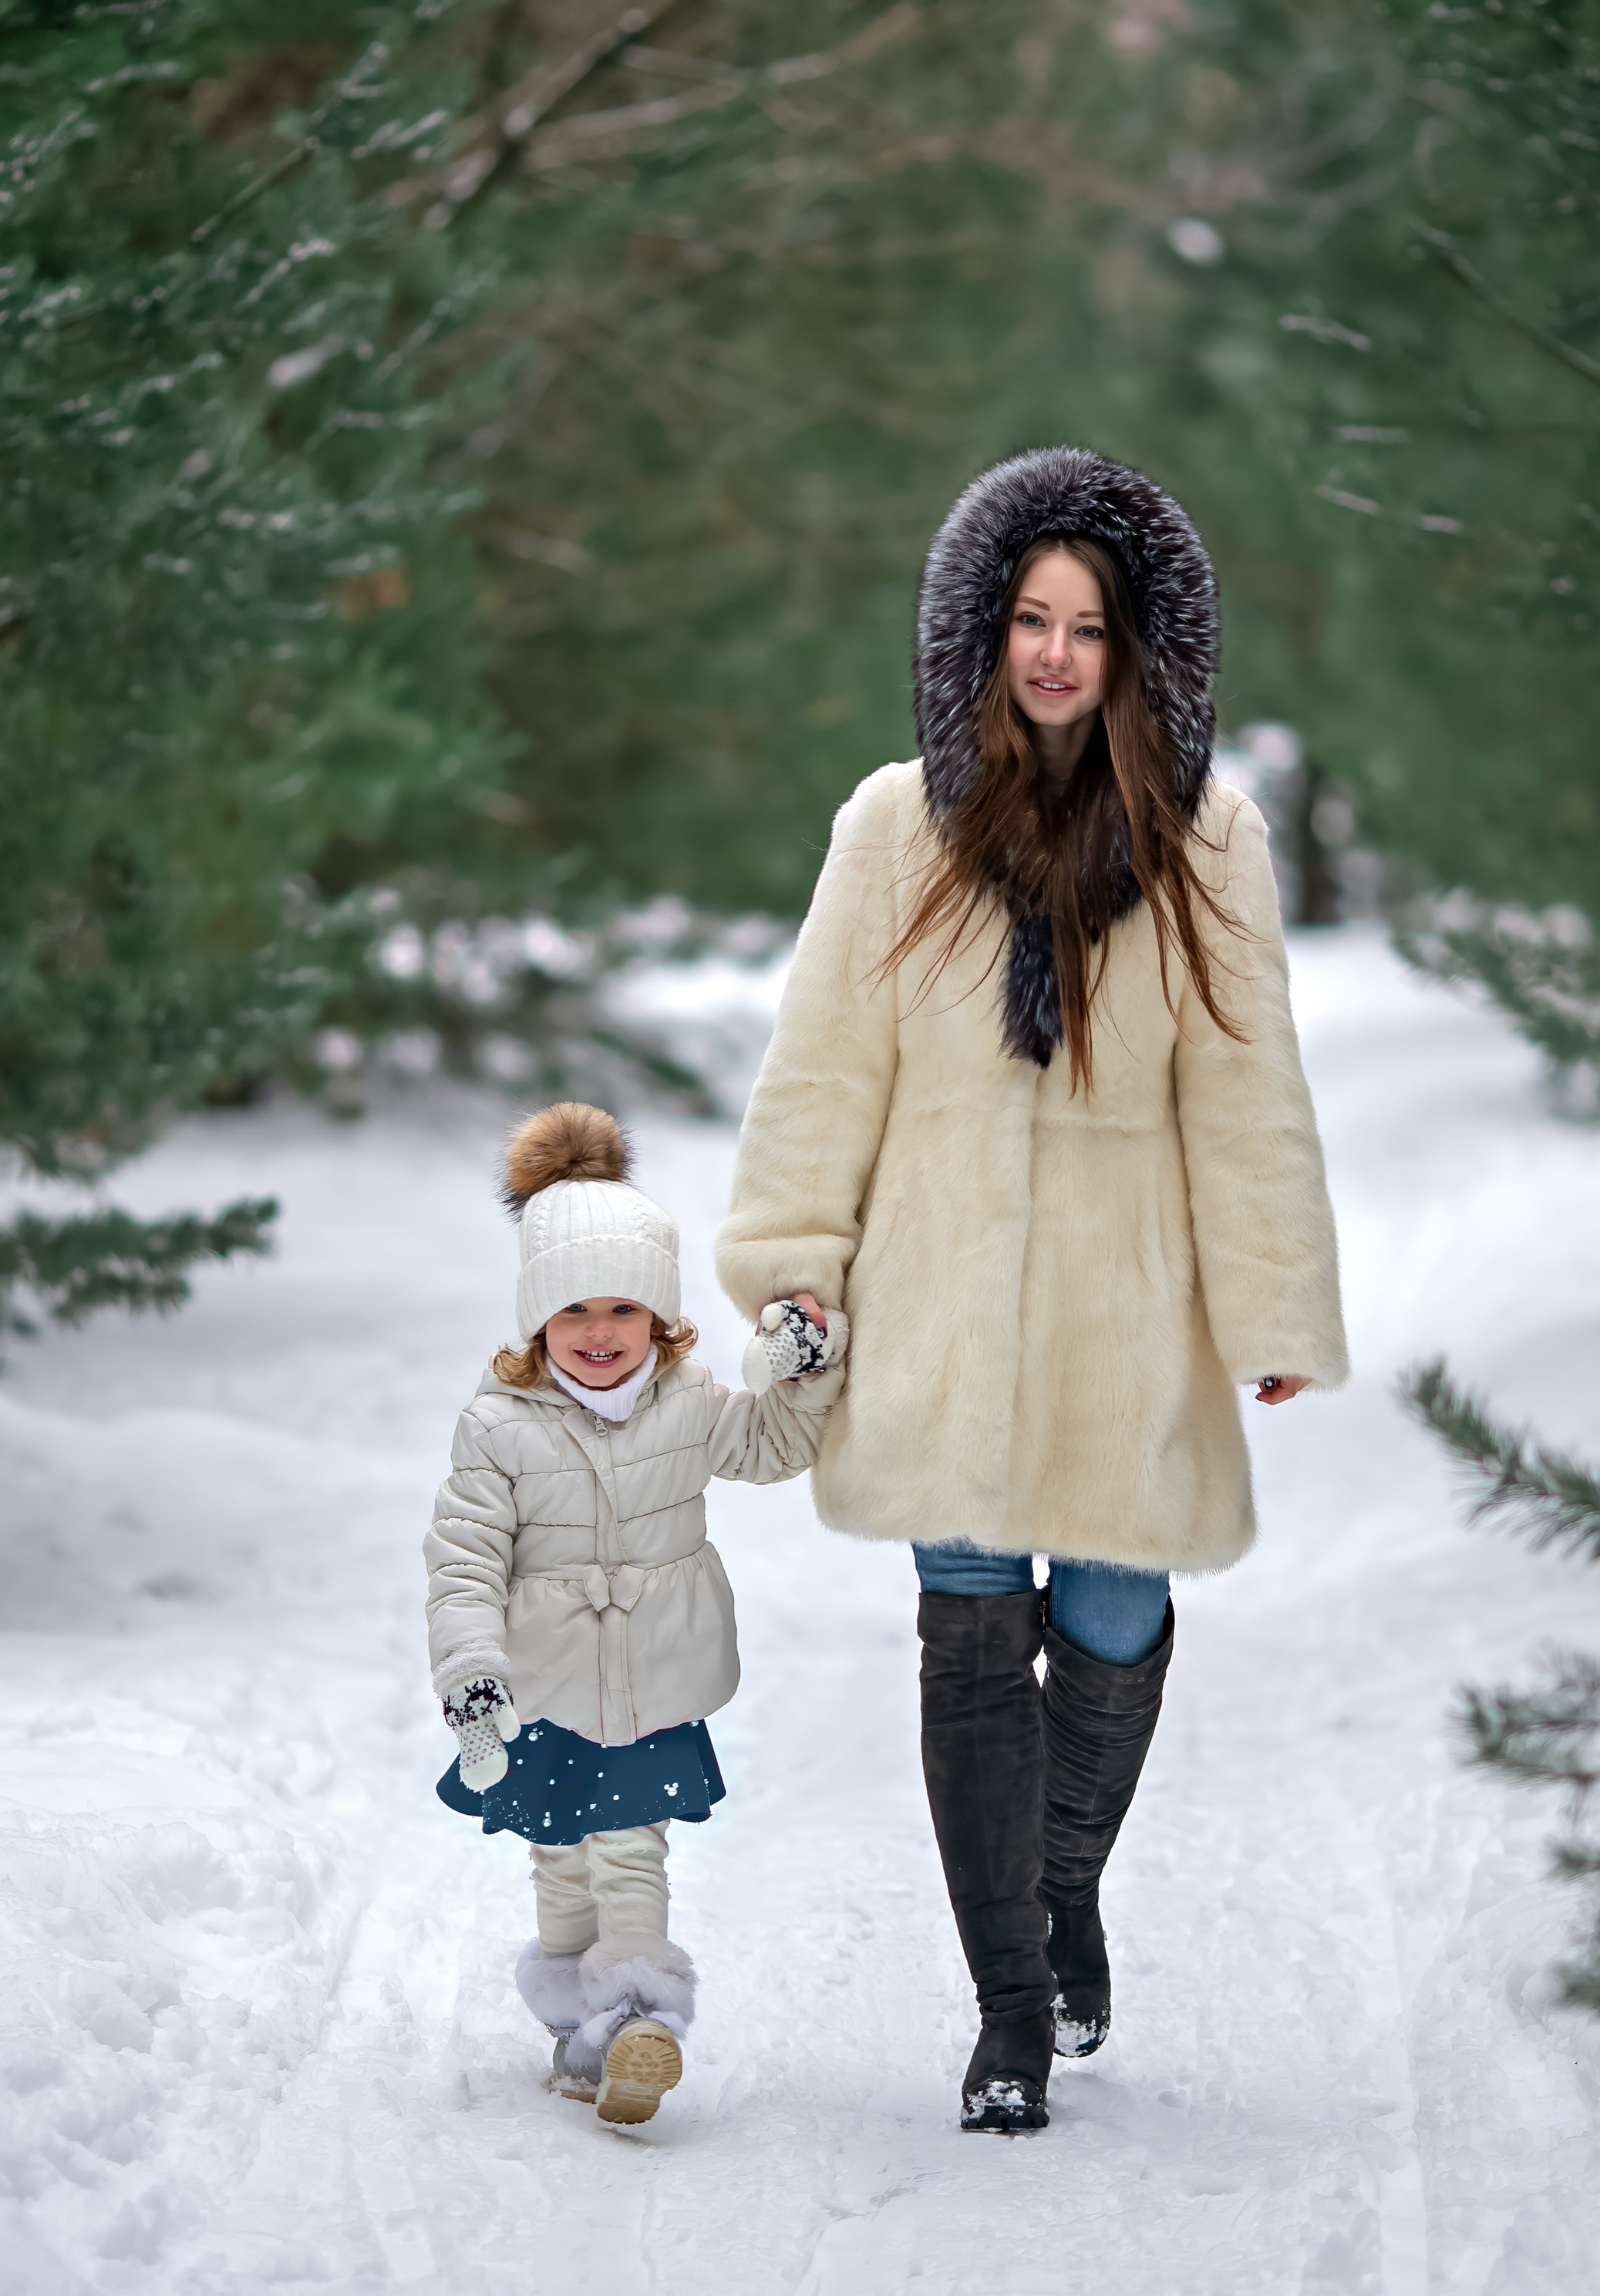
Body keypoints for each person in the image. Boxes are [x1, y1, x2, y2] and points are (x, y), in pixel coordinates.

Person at [716, 448, 1346, 2133]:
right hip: (934, 1300)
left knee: (1115, 1616)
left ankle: (1061, 1893)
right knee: (971, 1641)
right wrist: (795, 1270)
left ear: (1140, 648)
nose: (1054, 652)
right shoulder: (889, 825)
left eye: (1087, 625)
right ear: (977, 632)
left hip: (1126, 1311)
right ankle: (1008, 2004)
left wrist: (1270, 1302)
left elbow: (1245, 1083)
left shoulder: (1206, 835)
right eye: (1026, 618)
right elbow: (821, 1072)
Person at [425, 1102, 844, 2126]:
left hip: (655, 1678)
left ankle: (637, 2018)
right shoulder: (497, 1425)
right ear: (537, 1323)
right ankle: (578, 2020)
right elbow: (464, 1559)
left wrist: (800, 1374)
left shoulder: (690, 1398)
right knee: (561, 1860)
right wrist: (470, 1666)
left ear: (660, 1318)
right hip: (545, 1683)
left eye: (623, 1310)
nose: (600, 1334)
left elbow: (771, 1446)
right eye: (574, 1313)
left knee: (631, 1846)